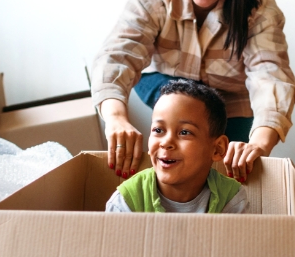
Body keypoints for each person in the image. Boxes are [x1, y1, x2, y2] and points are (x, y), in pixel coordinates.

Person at [91, 0, 295, 184]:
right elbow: (119, 53)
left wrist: (258, 145)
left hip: (229, 101)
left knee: (232, 172)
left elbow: (269, 73)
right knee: (183, 158)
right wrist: (115, 117)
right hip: (164, 81)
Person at [105, 79, 249, 214]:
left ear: (217, 149)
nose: (166, 143)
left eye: (184, 132)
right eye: (158, 130)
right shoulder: (125, 202)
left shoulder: (231, 198)